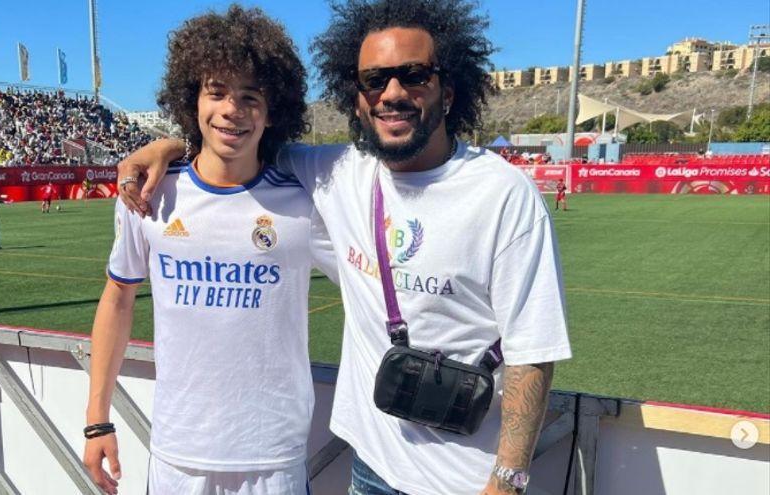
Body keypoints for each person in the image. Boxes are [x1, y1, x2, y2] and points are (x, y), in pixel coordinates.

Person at [118, 1, 571, 494]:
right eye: (374, 81)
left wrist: (506, 482)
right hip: (370, 469)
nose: (392, 93)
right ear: (355, 97)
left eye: (414, 75)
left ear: (450, 89)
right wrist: (166, 147)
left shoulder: (504, 194)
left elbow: (532, 351)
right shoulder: (336, 172)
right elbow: (232, 140)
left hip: (467, 481)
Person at [83, 6, 335, 495]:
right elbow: (117, 298)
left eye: (249, 96)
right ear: (191, 100)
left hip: (274, 457)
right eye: (216, 92)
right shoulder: (150, 194)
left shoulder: (304, 200)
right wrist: (97, 419)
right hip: (180, 456)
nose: (231, 110)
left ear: (273, 108)